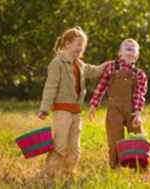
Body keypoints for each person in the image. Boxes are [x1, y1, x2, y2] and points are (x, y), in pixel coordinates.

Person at [37, 26, 106, 179]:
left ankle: (68, 173)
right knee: (60, 145)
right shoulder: (57, 63)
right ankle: (51, 174)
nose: (81, 49)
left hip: (76, 111)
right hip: (62, 110)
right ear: (67, 44)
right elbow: (50, 87)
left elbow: (94, 71)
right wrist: (44, 108)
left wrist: (108, 65)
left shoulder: (79, 64)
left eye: (83, 46)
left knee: (74, 147)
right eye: (78, 44)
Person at [88, 38, 148, 169]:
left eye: (134, 49)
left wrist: (138, 114)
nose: (131, 51)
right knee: (114, 136)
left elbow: (139, 95)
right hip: (114, 108)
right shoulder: (111, 68)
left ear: (136, 56)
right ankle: (115, 166)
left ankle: (140, 165)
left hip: (132, 109)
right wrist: (93, 105)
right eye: (127, 48)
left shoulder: (139, 74)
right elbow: (101, 86)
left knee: (137, 134)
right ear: (119, 53)